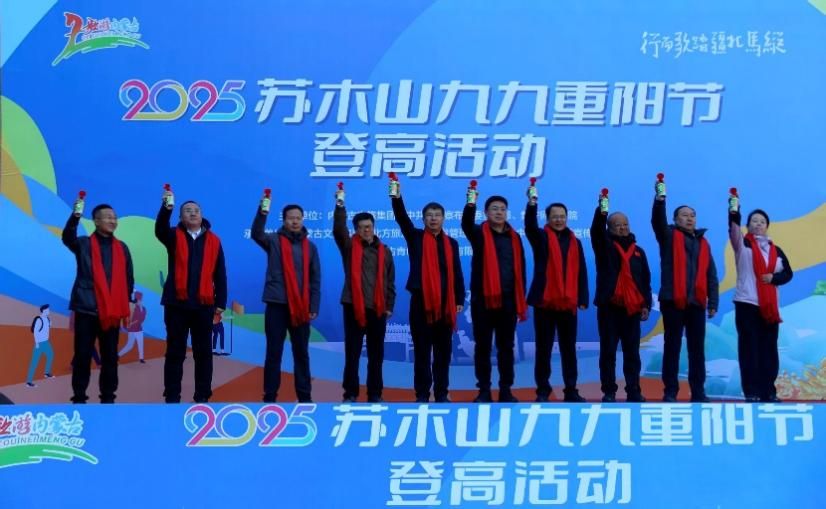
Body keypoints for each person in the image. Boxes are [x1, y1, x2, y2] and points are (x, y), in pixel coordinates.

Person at [392, 187, 464, 403]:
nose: (433, 218)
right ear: (423, 219)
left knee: (443, 354)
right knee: (422, 352)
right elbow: (402, 218)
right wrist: (396, 197)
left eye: (437, 215)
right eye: (429, 215)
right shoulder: (415, 237)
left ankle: (441, 393)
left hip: (445, 304)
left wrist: (459, 299)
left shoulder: (451, 244)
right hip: (421, 304)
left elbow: (457, 272)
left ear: (443, 219)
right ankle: (422, 394)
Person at [156, 195, 227, 403]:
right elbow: (159, 229)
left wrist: (220, 302)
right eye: (187, 210)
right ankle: (172, 396)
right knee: (175, 353)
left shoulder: (214, 241)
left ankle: (202, 396)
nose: (193, 213)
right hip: (176, 304)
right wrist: (166, 208)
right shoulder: (172, 236)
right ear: (180, 217)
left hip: (203, 306)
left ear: (202, 215)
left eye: (196, 210)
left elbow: (220, 274)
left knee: (203, 354)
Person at [63, 202, 134, 403]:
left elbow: (129, 278)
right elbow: (67, 237)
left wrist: (128, 300)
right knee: (82, 356)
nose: (113, 220)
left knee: (110, 357)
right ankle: (79, 398)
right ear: (96, 221)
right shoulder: (83, 244)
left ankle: (108, 399)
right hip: (86, 308)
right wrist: (75, 216)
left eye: (114, 217)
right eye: (108, 217)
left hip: (112, 313)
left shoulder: (122, 248)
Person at [651, 189, 718, 402]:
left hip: (696, 303)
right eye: (685, 215)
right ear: (675, 219)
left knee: (697, 350)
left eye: (692, 215)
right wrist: (659, 202)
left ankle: (698, 392)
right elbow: (657, 222)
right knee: (672, 347)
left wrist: (713, 302)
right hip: (673, 301)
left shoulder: (703, 243)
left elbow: (711, 275)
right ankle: (670, 391)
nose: (690, 218)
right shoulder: (668, 236)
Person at [252, 201, 321, 403]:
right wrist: (262, 212)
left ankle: (305, 397)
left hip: (301, 308)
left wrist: (313, 305)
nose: (295, 221)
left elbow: (315, 279)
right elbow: (256, 233)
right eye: (291, 218)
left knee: (301, 353)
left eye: (298, 218)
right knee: (274, 352)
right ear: (284, 220)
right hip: (277, 304)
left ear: (303, 220)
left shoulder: (311, 247)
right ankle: (270, 396)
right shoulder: (273, 240)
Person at [463, 194, 527, 403]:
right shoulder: (478, 233)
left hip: (508, 302)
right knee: (483, 347)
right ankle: (484, 390)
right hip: (483, 301)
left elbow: (521, 270)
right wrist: (470, 202)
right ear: (486, 213)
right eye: (494, 209)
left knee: (506, 347)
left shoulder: (515, 238)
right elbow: (466, 223)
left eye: (502, 209)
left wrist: (520, 299)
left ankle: (506, 389)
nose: (499, 212)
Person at [525, 198, 589, 402]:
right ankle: (543, 391)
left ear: (567, 218)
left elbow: (581, 271)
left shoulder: (575, 242)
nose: (559, 220)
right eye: (555, 217)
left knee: (568, 349)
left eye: (562, 216)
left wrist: (583, 297)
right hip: (545, 302)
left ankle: (571, 390)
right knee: (543, 349)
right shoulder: (540, 237)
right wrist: (531, 205)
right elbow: (529, 226)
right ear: (548, 219)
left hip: (568, 303)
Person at [334, 198, 395, 403]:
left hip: (378, 308)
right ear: (356, 230)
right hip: (353, 306)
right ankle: (350, 393)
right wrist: (340, 206)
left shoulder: (385, 251)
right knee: (352, 353)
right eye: (361, 228)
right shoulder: (349, 246)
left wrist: (389, 306)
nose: (365, 230)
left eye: (368, 226)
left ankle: (375, 394)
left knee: (376, 355)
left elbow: (390, 281)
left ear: (373, 227)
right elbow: (338, 230)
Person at [729, 206, 793, 402]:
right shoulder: (742, 244)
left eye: (762, 222)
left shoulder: (776, 250)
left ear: (767, 226)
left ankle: (769, 392)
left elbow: (788, 273)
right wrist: (734, 208)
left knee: (769, 350)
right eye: (754, 221)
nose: (758, 224)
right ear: (748, 225)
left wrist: (773, 277)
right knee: (750, 349)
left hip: (769, 307)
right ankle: (752, 391)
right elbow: (733, 226)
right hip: (747, 303)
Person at [591, 205, 652, 402]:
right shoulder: (604, 246)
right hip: (609, 309)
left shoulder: (639, 252)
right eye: (618, 225)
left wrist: (646, 304)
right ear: (610, 228)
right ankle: (609, 391)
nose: (623, 228)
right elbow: (596, 230)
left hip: (632, 310)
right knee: (608, 353)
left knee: (632, 353)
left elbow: (645, 281)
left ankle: (633, 390)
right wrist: (602, 209)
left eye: (625, 224)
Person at [26, 304, 55, 387]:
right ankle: (29, 382)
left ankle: (47, 373)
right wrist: (37, 343)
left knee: (50, 355)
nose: (49, 311)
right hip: (39, 343)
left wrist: (50, 324)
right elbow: (35, 332)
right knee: (34, 362)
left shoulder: (48, 319)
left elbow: (47, 329)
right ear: (44, 310)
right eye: (48, 310)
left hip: (46, 342)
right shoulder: (39, 320)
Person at [118, 291, 147, 363]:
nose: (138, 301)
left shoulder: (143, 308)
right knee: (129, 345)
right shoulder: (133, 307)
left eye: (139, 300)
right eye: (137, 300)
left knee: (140, 344)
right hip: (132, 330)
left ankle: (141, 358)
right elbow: (130, 318)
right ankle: (118, 355)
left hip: (139, 329)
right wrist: (129, 324)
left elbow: (142, 319)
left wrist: (136, 321)